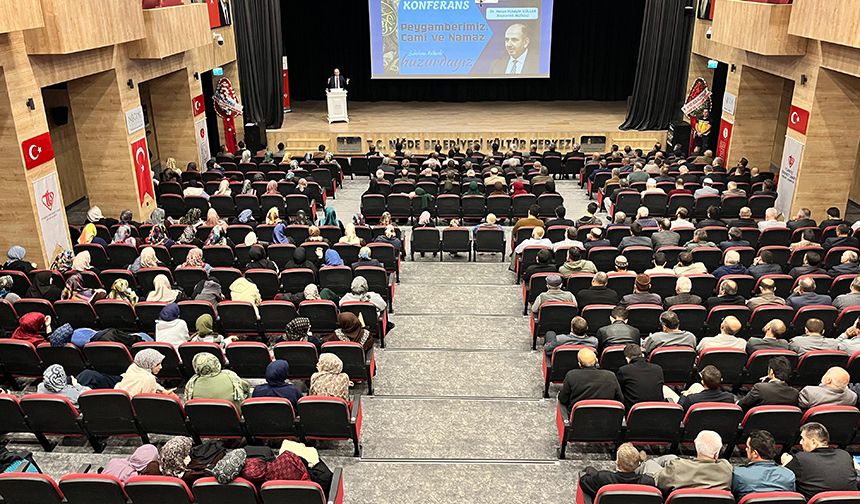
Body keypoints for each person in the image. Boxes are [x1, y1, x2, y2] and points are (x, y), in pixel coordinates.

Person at [781, 423, 858, 499]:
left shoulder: (800, 459)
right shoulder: (845, 455)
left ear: (813, 442)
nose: (800, 442)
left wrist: (785, 462)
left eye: (803, 439)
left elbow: (781, 478)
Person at [646, 431, 732, 492]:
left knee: (650, 463)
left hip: (672, 472)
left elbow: (657, 480)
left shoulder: (677, 467)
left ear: (696, 447)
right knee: (671, 458)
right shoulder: (727, 469)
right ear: (717, 454)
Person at [578, 443, 656, 500]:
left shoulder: (603, 478)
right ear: (638, 464)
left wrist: (593, 473)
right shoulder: (648, 482)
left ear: (617, 463)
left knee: (589, 469)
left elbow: (583, 481)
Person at [732, 430, 796, 498]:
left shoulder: (738, 474)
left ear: (755, 453)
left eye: (747, 447)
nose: (746, 449)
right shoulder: (789, 475)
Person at [557, 348, 623, 409]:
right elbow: (620, 399)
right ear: (596, 361)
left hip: (579, 416)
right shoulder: (611, 376)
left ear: (579, 364)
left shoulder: (571, 375)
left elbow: (563, 399)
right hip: (607, 415)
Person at [184, 353, 250, 409]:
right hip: (231, 417)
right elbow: (246, 388)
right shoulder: (230, 375)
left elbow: (187, 403)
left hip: (202, 418)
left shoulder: (191, 384)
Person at [617, 344, 665, 409]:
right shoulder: (658, 369)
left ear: (627, 359)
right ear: (642, 355)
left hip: (634, 411)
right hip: (657, 409)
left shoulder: (623, 370)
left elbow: (620, 392)